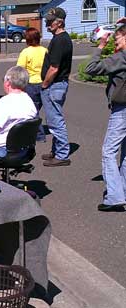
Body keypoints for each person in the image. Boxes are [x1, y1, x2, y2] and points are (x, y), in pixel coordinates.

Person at [85, 25, 126, 211]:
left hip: (122, 110)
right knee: (125, 153)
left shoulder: (121, 58)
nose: (115, 42)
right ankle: (122, 190)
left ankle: (115, 197)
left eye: (118, 39)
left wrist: (101, 46)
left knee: (109, 151)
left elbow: (91, 68)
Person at [40, 7, 73, 167]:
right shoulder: (59, 38)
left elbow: (54, 68)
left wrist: (45, 84)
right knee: (53, 119)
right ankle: (56, 150)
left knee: (55, 121)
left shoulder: (60, 40)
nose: (47, 23)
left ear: (59, 22)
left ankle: (62, 155)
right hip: (56, 85)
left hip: (55, 85)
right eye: (47, 20)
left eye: (50, 20)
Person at [17, 27, 47, 143]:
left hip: (31, 83)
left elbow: (20, 69)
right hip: (44, 82)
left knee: (32, 110)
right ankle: (31, 131)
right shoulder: (45, 50)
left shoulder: (26, 52)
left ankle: (39, 135)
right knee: (37, 108)